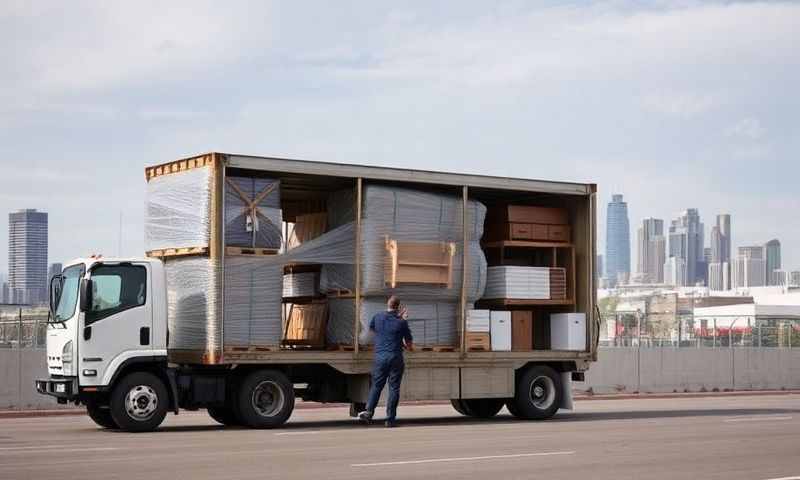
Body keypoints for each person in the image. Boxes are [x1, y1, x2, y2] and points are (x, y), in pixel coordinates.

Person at [358, 295, 413, 427]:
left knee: (376, 386)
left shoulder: (377, 317)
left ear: (387, 305)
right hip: (395, 358)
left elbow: (369, 335)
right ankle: (390, 419)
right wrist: (402, 320)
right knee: (394, 388)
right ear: (398, 307)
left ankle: (368, 413)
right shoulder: (401, 322)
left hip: (380, 357)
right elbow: (409, 346)